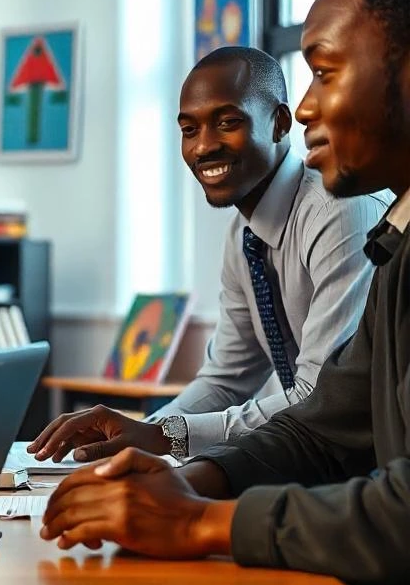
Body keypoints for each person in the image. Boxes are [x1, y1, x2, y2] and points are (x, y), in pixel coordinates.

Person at [39, 0, 410, 585]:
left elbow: (382, 488)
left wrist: (195, 514)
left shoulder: (351, 215)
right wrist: (171, 464)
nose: (306, 109)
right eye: (189, 128)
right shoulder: (388, 238)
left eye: (325, 74)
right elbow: (321, 424)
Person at [31, 45, 386, 466]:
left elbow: (317, 396)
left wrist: (164, 436)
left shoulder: (338, 210)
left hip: (371, 467)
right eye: (189, 129)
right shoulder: (244, 233)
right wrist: (129, 441)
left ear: (280, 123)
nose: (203, 147)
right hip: (312, 453)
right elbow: (226, 379)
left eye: (227, 122)